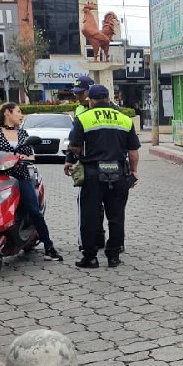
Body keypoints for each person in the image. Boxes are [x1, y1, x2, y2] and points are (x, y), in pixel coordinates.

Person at [0, 102, 63, 265]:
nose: (21, 115)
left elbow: (31, 156)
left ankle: (49, 247)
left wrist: (23, 158)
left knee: (34, 210)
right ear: (7, 113)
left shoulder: (22, 133)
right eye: (18, 112)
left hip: (21, 176)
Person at [65, 84, 139, 269]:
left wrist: (74, 159)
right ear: (108, 99)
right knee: (116, 216)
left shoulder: (84, 118)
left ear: (91, 101)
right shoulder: (124, 119)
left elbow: (74, 146)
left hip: (93, 173)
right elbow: (133, 151)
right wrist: (134, 171)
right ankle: (113, 256)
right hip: (119, 173)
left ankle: (90, 257)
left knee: (89, 216)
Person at [63, 75, 108, 253]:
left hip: (101, 162)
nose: (78, 96)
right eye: (76, 93)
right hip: (90, 162)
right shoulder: (80, 109)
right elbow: (74, 138)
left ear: (90, 92)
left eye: (81, 93)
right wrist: (69, 158)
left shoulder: (105, 109)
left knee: (101, 204)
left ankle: (96, 242)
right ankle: (96, 238)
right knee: (91, 205)